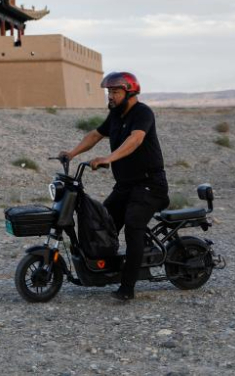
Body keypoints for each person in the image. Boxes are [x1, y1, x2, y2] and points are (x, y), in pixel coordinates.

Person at [58, 71, 169, 302]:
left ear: (130, 93)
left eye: (115, 92)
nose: (110, 96)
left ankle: (127, 288)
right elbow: (95, 135)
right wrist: (72, 153)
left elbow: (135, 139)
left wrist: (109, 158)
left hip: (149, 185)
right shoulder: (116, 116)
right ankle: (105, 270)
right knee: (102, 222)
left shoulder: (142, 113)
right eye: (109, 91)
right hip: (125, 186)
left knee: (133, 227)